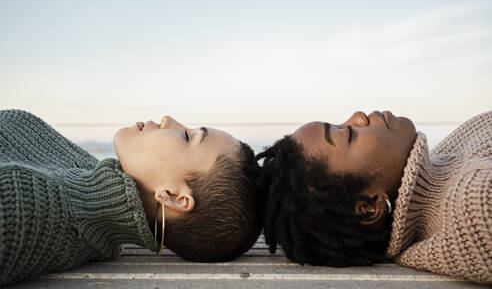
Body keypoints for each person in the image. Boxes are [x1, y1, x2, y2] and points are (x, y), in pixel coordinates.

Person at [0, 109, 262, 287]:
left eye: (187, 137)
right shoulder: (85, 175)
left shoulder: (27, 211)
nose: (168, 119)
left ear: (173, 197)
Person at [256, 110, 491, 283]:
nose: (359, 117)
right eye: (348, 134)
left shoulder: (441, 165)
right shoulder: (474, 207)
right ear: (370, 208)